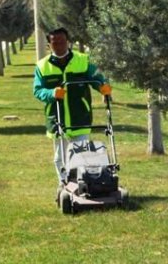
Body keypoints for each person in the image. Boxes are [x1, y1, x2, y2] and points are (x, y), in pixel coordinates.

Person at [33, 27, 111, 183]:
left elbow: (96, 77)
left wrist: (103, 87)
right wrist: (52, 93)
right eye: (55, 42)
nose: (59, 45)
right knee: (59, 158)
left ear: (68, 42)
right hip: (57, 119)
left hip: (79, 116)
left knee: (80, 155)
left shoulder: (82, 60)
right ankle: (64, 185)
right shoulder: (42, 66)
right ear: (49, 45)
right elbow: (38, 91)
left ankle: (82, 184)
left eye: (62, 41)